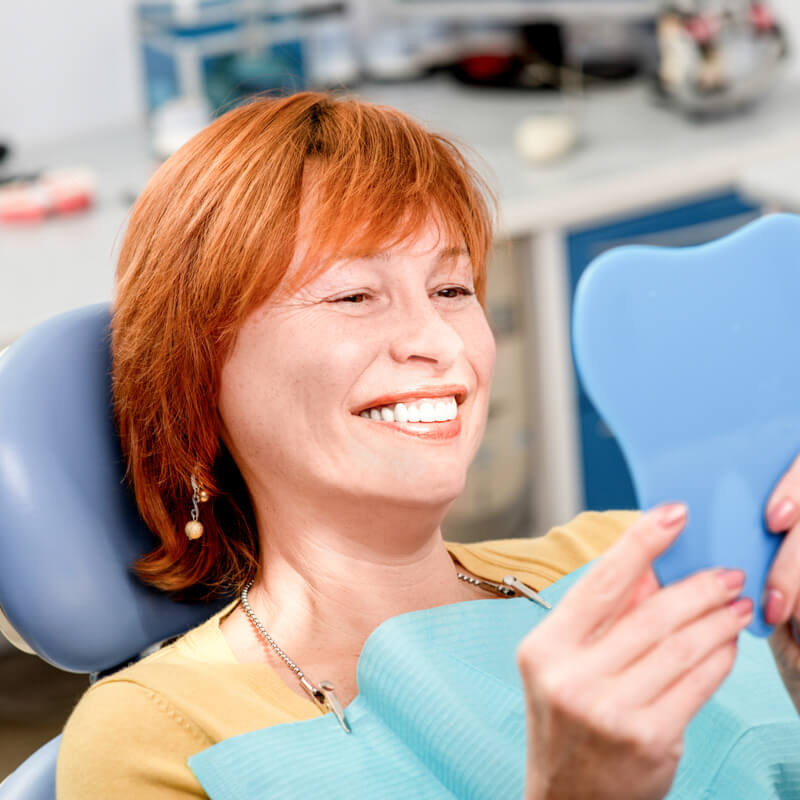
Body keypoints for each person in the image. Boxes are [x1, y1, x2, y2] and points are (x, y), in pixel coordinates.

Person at [56, 92, 800, 799]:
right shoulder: (154, 738)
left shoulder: (641, 561)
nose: (440, 342)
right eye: (354, 295)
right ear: (199, 373)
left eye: (451, 290)